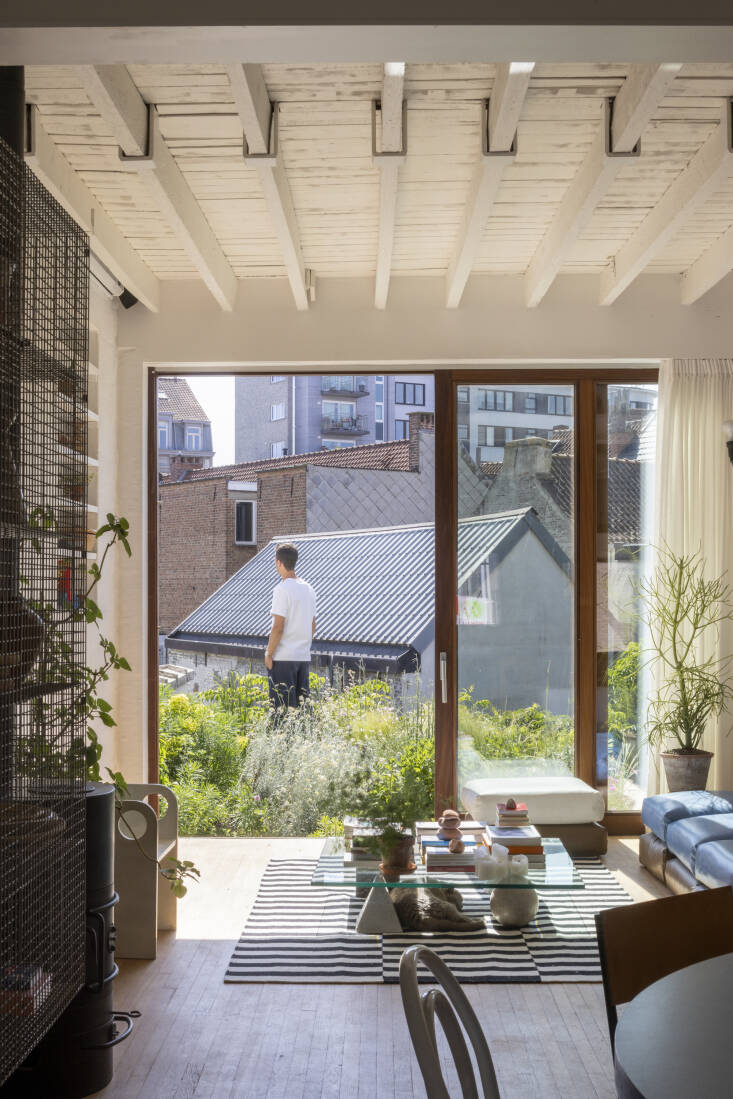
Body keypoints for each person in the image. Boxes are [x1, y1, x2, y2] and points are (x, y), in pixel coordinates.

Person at [265, 542, 317, 709]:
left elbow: (278, 627)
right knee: (301, 714)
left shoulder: (281, 589)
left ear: (278, 562)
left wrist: (269, 654)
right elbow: (312, 624)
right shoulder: (309, 589)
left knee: (281, 713)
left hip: (283, 660)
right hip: (303, 658)